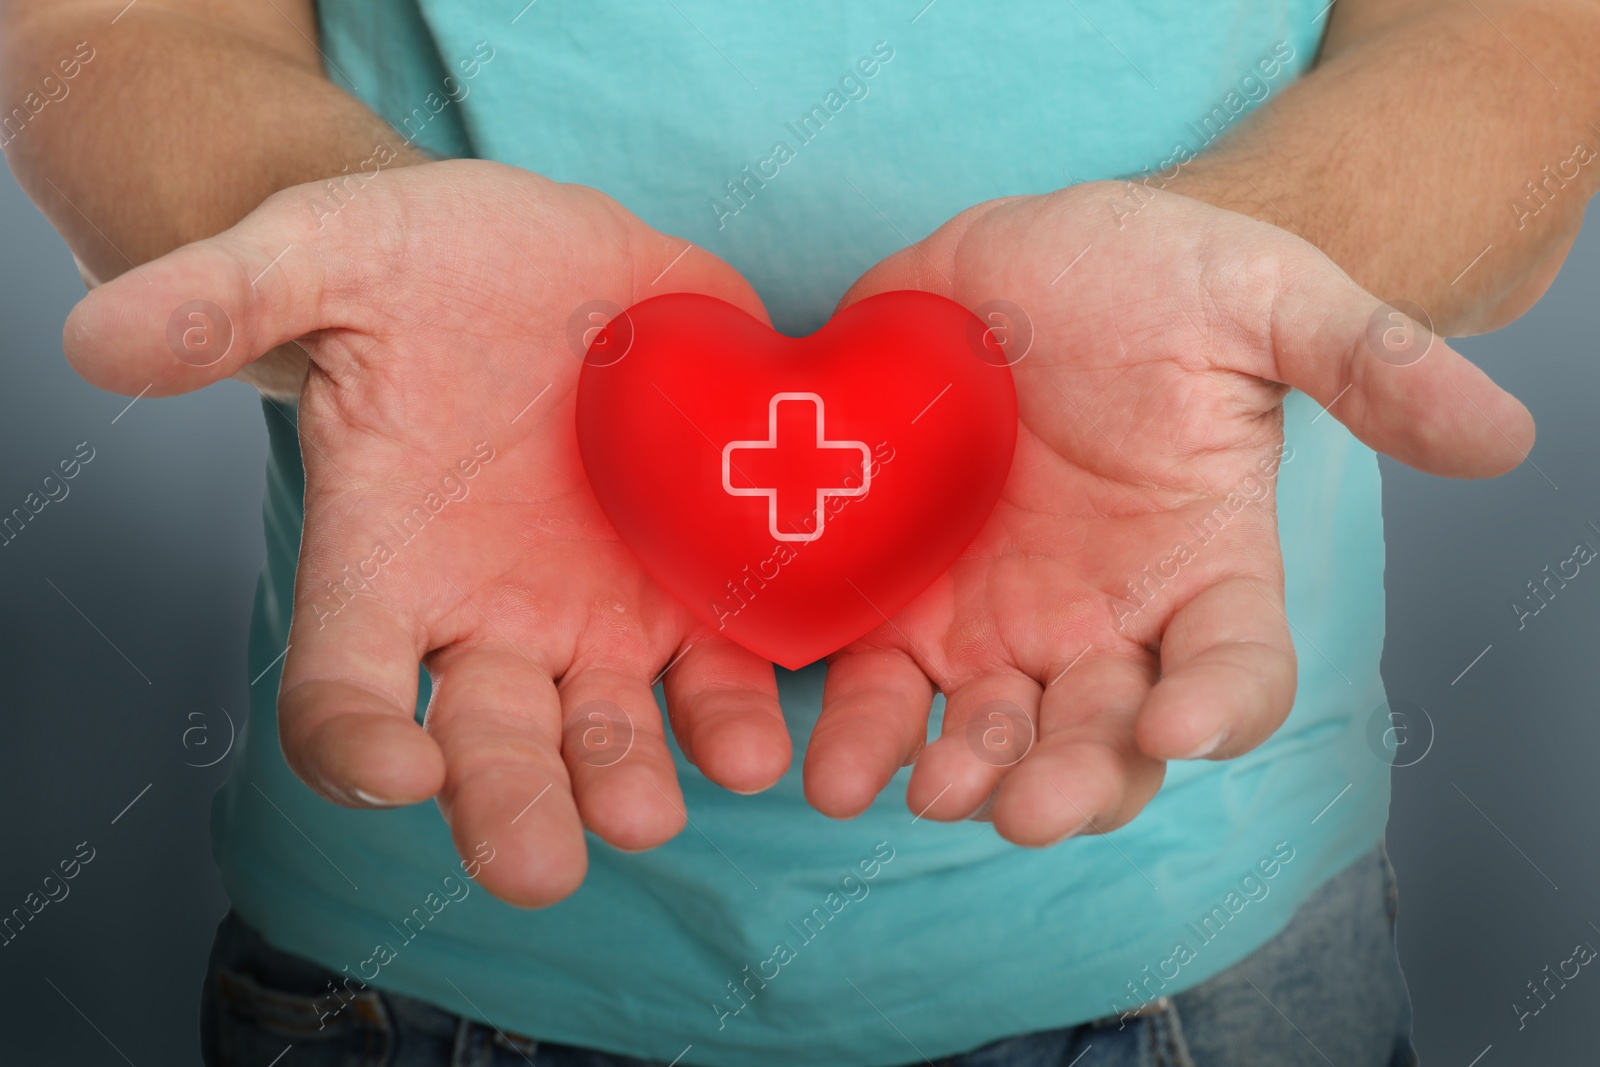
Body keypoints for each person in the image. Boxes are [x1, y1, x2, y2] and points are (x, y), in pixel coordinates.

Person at [4, 0, 1595, 1064]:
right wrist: (341, 259)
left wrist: (1249, 273)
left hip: (1212, 936)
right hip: (409, 948)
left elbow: (1518, 41)